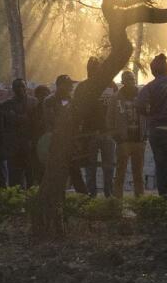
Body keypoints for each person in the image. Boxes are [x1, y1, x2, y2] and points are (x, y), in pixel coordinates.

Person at [137, 54, 167, 198]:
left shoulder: (149, 88)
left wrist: (151, 113)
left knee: (161, 167)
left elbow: (140, 107)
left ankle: (164, 198)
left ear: (153, 71)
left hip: (157, 132)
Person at [42, 74, 91, 194]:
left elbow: (76, 120)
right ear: (60, 86)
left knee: (75, 172)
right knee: (56, 174)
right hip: (56, 144)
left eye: (71, 85)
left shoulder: (71, 100)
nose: (71, 87)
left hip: (70, 143)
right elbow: (51, 122)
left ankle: (83, 197)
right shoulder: (50, 101)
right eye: (68, 85)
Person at [79, 58, 117, 197]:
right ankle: (92, 195)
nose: (94, 70)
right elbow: (78, 111)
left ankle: (108, 194)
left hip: (107, 133)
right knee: (91, 166)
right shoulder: (83, 87)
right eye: (92, 68)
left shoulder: (111, 85)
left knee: (108, 166)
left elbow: (116, 109)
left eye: (97, 67)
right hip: (89, 133)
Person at [114, 71, 147, 197]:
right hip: (123, 142)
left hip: (139, 140)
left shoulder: (142, 96)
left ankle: (140, 203)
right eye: (127, 80)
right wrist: (116, 136)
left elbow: (148, 115)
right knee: (120, 174)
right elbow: (110, 118)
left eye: (132, 79)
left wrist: (145, 135)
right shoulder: (116, 97)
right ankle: (117, 204)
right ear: (123, 81)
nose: (131, 82)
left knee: (138, 174)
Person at [1, 78, 35, 188]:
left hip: (29, 143)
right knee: (15, 176)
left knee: (31, 174)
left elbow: (36, 121)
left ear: (26, 88)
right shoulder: (7, 104)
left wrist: (16, 117)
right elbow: (6, 122)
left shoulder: (33, 102)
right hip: (13, 145)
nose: (20, 89)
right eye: (17, 87)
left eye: (22, 86)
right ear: (13, 89)